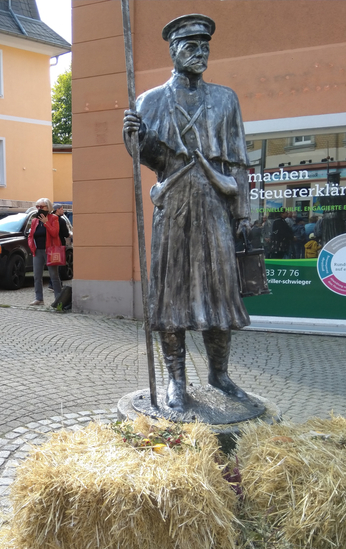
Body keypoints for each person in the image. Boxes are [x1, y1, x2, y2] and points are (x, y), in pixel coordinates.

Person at [123, 13, 258, 414]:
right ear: (174, 51)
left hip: (215, 205)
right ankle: (175, 381)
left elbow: (237, 162)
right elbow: (147, 157)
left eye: (205, 47)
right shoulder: (150, 101)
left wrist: (243, 211)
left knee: (219, 294)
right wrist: (134, 135)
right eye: (191, 47)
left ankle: (220, 374)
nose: (200, 54)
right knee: (171, 295)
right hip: (174, 205)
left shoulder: (225, 99)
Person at [27, 198, 62, 306]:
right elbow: (31, 235)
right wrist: (31, 245)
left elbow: (55, 233)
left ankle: (58, 299)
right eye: (37, 206)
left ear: (48, 207)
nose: (39, 209)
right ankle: (39, 298)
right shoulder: (34, 221)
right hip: (38, 251)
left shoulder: (54, 218)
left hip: (50, 251)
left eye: (41, 207)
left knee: (54, 275)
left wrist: (46, 223)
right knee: (37, 275)